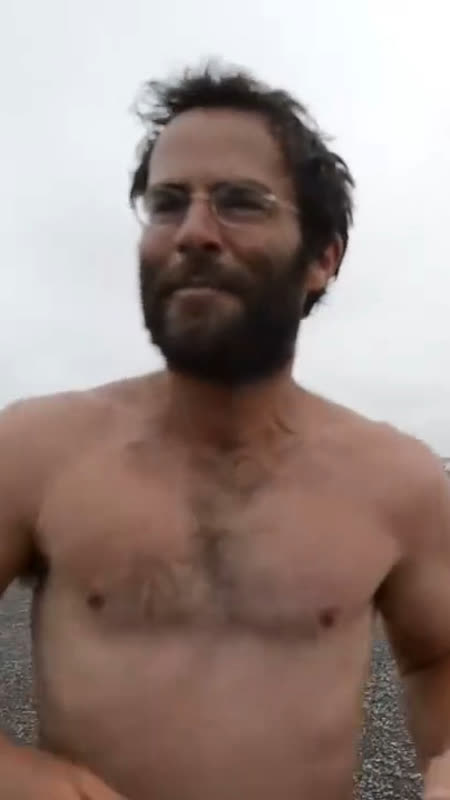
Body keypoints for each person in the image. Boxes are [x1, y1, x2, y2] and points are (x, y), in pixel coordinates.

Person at [1, 64, 450, 800]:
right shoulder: (33, 450)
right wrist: (19, 777)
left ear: (322, 258)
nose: (193, 233)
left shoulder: (400, 481)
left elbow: (438, 660)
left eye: (240, 202)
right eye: (167, 203)